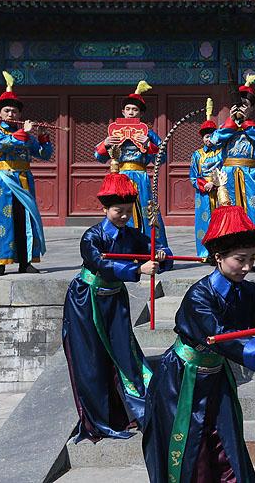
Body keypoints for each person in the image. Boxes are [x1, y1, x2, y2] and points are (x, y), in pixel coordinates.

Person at [143, 204, 255, 482]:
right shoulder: (198, 298)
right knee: (192, 453)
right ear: (218, 257)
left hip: (217, 379)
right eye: (240, 259)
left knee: (227, 448)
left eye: (252, 259)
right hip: (183, 380)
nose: (248, 267)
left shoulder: (246, 291)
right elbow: (222, 338)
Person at [62, 165, 171, 443]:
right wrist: (136, 270)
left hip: (115, 300)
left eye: (127, 210)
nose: (123, 216)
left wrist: (160, 254)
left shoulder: (132, 234)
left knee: (127, 354)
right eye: (117, 211)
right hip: (86, 301)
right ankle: (100, 420)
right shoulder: (92, 236)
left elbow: (160, 251)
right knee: (92, 361)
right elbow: (100, 263)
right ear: (104, 210)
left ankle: (143, 412)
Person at [0, 71, 53, 276]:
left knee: (25, 220)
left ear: (19, 114)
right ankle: (0, 262)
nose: (11, 115)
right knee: (2, 219)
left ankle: (25, 262)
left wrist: (43, 139)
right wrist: (24, 133)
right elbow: (4, 145)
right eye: (7, 111)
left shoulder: (27, 135)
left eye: (14, 111)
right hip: (4, 181)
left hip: (24, 180)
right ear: (0, 113)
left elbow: (44, 155)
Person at [94, 80, 169, 250]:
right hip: (120, 177)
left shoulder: (148, 133)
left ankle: (153, 249)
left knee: (146, 211)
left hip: (140, 177)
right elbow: (98, 156)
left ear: (140, 114)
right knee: (119, 212)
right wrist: (106, 143)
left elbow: (162, 158)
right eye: (128, 109)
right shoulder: (114, 132)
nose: (131, 112)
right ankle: (119, 247)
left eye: (134, 109)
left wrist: (149, 145)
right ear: (122, 111)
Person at [209, 74, 255, 261]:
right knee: (227, 212)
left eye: (246, 104)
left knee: (252, 213)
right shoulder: (225, 127)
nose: (243, 107)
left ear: (252, 108)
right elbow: (213, 141)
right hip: (227, 175)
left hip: (250, 175)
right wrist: (231, 123)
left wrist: (244, 124)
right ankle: (227, 253)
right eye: (240, 104)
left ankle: (252, 255)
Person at [190, 98, 223, 260]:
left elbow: (225, 170)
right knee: (204, 223)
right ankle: (205, 253)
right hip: (203, 194)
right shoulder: (197, 155)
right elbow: (193, 177)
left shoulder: (222, 152)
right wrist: (204, 185)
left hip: (219, 191)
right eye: (205, 137)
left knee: (220, 221)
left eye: (211, 136)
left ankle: (220, 252)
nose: (208, 139)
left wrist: (215, 183)